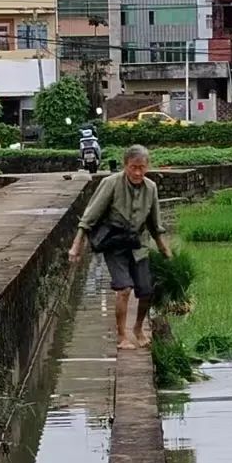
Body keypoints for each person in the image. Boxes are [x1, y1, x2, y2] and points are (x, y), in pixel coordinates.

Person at [68, 144, 171, 350]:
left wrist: (165, 250)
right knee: (123, 288)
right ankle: (122, 335)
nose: (137, 172)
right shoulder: (111, 183)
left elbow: (154, 224)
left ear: (147, 167)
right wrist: (76, 245)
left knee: (146, 291)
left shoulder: (150, 188)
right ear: (125, 166)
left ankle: (138, 328)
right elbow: (90, 216)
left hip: (138, 244)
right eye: (133, 167)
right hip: (114, 243)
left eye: (142, 167)